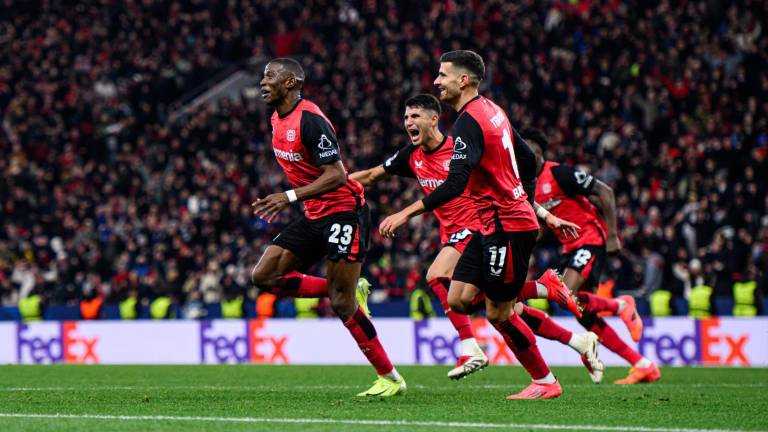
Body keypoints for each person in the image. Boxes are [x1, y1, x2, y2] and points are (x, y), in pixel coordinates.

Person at [351, 93, 600, 380]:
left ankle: (470, 348)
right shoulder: (411, 156)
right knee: (506, 308)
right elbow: (371, 176)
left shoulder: (461, 150)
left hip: (479, 228)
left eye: (415, 116)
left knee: (436, 276)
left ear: (434, 119)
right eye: (406, 117)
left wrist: (546, 216)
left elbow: (507, 187)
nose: (408, 122)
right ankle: (576, 337)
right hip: (454, 236)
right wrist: (332, 183)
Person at [379, 50, 562, 399]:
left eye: (442, 75)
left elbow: (454, 184)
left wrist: (405, 213)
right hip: (490, 223)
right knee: (459, 298)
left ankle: (545, 381)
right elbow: (527, 160)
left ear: (463, 80)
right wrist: (523, 196)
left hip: (506, 226)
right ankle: (542, 288)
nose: (437, 81)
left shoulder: (468, 122)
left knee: (500, 312)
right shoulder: (493, 110)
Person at [250, 57, 405, 397]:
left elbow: (336, 175)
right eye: (262, 76)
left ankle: (390, 377)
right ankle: (349, 289)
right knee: (264, 276)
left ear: (290, 82)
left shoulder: (310, 120)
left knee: (342, 304)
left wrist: (288, 197)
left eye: (270, 76)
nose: (263, 82)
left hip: (344, 212)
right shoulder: (276, 118)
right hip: (314, 214)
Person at [522, 127, 661, 385]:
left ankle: (621, 306)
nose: (533, 157)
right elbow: (541, 226)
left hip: (590, 238)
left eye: (537, 152)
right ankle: (643, 365)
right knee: (583, 312)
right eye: (528, 153)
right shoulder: (526, 186)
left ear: (542, 154)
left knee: (565, 292)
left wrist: (612, 235)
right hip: (569, 248)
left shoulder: (559, 173)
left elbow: (605, 191)